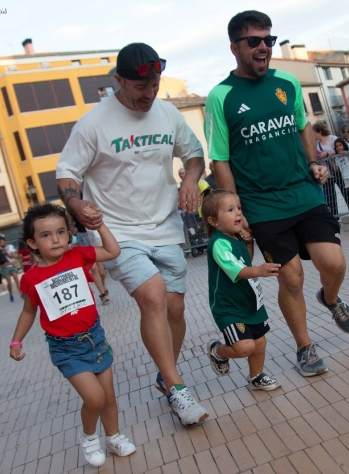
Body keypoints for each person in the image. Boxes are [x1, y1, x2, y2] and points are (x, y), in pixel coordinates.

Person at [56, 42, 209, 426]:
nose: (149, 94)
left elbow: (193, 155)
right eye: (140, 87)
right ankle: (177, 388)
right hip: (118, 233)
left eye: (155, 84)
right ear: (118, 80)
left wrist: (190, 179)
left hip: (166, 227)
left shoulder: (168, 113)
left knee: (175, 309)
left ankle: (165, 372)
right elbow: (67, 174)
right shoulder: (93, 124)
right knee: (154, 298)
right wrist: (77, 207)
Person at [206, 11, 349, 378]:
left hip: (303, 193)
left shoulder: (287, 83)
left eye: (268, 40)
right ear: (235, 47)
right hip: (262, 205)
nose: (263, 47)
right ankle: (305, 348)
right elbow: (220, 159)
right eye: (254, 41)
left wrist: (313, 163)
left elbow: (303, 126)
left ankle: (331, 298)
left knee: (333, 264)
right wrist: (236, 210)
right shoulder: (221, 97)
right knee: (290, 279)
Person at [10, 204, 135, 465]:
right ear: (32, 243)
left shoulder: (77, 255)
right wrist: (16, 340)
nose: (55, 239)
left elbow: (113, 250)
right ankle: (90, 438)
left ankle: (113, 437)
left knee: (108, 396)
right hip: (66, 349)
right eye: (46, 235)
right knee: (95, 398)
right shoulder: (31, 278)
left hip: (95, 338)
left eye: (60, 232)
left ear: (69, 234)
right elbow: (28, 312)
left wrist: (99, 225)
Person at [201, 190, 282, 390]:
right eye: (230, 210)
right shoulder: (218, 243)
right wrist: (260, 271)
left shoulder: (235, 238)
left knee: (260, 343)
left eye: (239, 208)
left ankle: (256, 376)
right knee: (245, 347)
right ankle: (218, 350)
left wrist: (247, 242)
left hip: (250, 302)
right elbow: (237, 269)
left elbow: (245, 259)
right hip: (229, 308)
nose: (238, 213)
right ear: (213, 221)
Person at [313, 121, 349, 213]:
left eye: (314, 132)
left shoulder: (332, 138)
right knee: (330, 195)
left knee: (345, 191)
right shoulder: (317, 144)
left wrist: (327, 154)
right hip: (327, 172)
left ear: (319, 131)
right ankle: (335, 215)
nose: (313, 135)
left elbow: (340, 149)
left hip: (337, 169)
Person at [74, 216, 110, 305]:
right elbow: (71, 224)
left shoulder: (88, 204)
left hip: (93, 236)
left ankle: (103, 284)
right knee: (93, 268)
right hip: (82, 237)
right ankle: (103, 295)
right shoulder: (72, 206)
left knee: (102, 272)